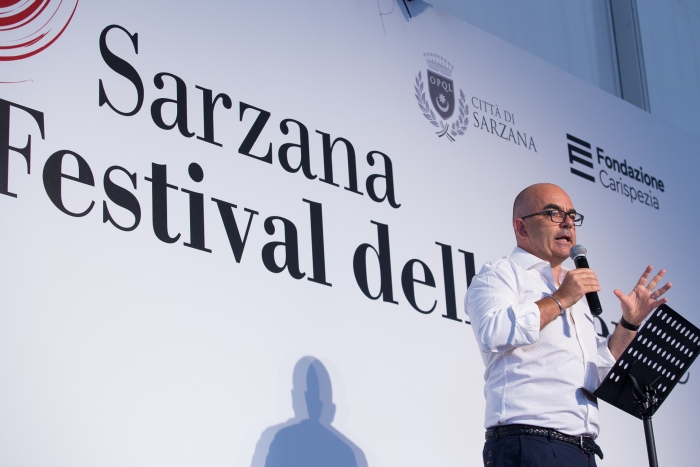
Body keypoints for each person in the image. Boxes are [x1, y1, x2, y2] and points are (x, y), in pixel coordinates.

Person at [464, 183, 671, 467]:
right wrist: (561, 299)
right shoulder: (501, 273)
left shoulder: (573, 290)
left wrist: (629, 323)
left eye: (572, 216)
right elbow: (492, 332)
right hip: (529, 444)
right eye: (554, 213)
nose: (568, 223)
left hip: (582, 449)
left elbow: (596, 374)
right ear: (522, 228)